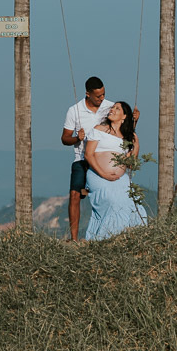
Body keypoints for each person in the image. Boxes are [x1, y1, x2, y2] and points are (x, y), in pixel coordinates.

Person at [83, 101, 147, 240]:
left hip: (120, 179)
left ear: (124, 116)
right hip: (98, 175)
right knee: (113, 201)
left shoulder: (128, 137)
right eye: (112, 107)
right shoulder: (99, 129)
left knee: (133, 203)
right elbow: (89, 154)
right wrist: (103, 174)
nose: (112, 110)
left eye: (117, 109)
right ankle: (106, 238)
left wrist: (136, 145)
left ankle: (131, 238)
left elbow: (131, 164)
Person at [60, 76, 112, 241]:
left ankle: (108, 234)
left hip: (104, 158)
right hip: (82, 159)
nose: (102, 98)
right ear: (87, 94)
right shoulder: (74, 110)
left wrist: (134, 121)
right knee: (74, 194)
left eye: (103, 94)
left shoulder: (110, 107)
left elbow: (122, 131)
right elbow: (64, 138)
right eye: (98, 96)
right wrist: (77, 138)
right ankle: (74, 238)